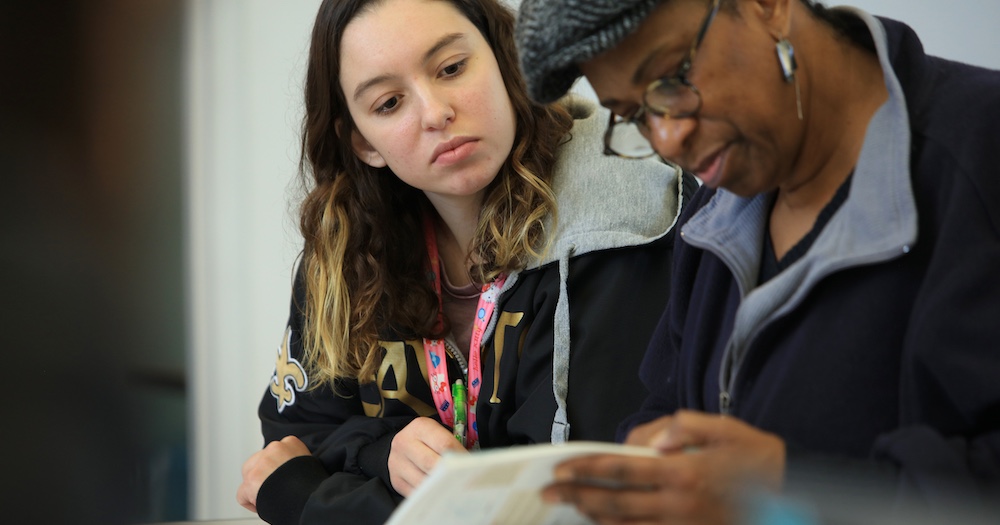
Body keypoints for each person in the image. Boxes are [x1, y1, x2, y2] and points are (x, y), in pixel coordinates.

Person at [515, 0, 1000, 523]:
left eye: (672, 79)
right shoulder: (714, 211)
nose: (669, 138)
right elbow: (667, 402)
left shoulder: (982, 154)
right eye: (634, 116)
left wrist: (787, 487)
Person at [235, 0, 694, 523]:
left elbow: (551, 509)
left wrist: (306, 500)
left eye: (451, 68)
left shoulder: (615, 217)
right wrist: (379, 452)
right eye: (389, 103)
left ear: (506, 58)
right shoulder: (350, 245)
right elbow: (293, 437)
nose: (435, 113)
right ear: (363, 141)